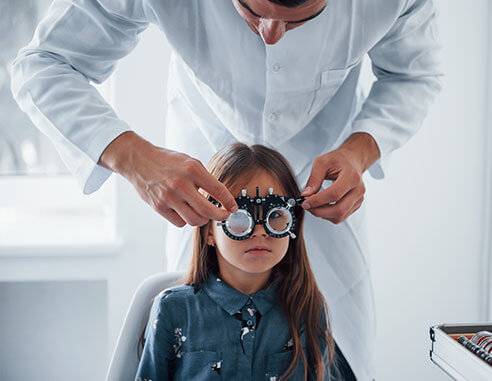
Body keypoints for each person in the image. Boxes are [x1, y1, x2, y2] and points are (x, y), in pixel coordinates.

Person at [10, 0, 442, 378]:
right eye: (251, 11)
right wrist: (133, 158)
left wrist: (361, 150)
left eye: (297, 21)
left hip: (327, 209)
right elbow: (43, 64)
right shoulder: (173, 314)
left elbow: (414, 74)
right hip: (201, 166)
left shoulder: (318, 311)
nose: (272, 36)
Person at [135, 142, 356, 381]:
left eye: (276, 217)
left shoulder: (307, 309)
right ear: (209, 231)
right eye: (239, 218)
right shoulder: (174, 310)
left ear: (292, 224)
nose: (259, 232)